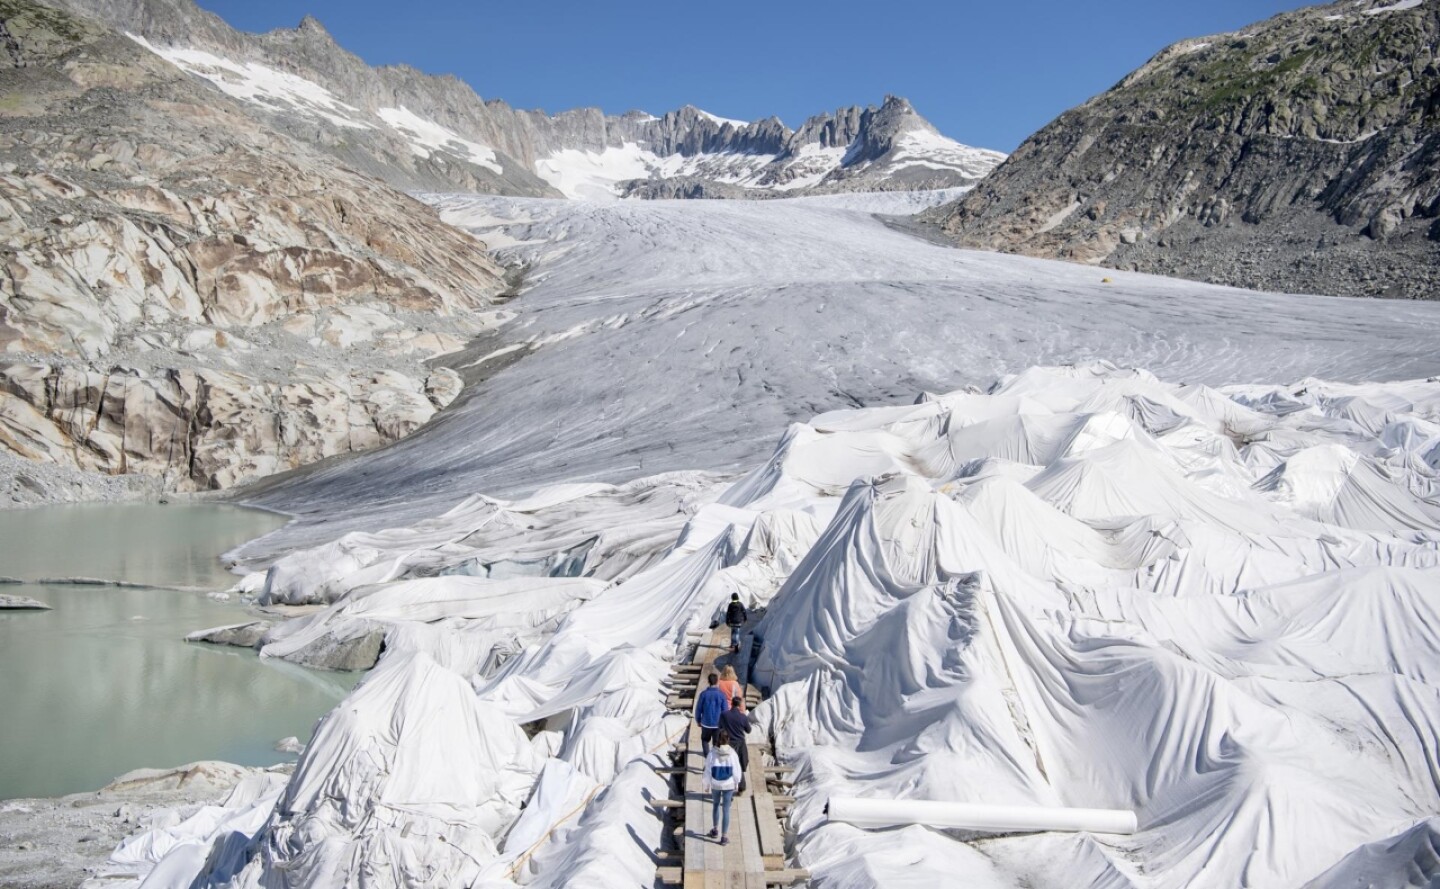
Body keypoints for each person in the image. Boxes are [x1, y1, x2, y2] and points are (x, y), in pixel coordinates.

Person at [702, 729, 742, 845]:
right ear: (728, 739)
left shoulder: (712, 753)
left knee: (715, 805)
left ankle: (715, 830)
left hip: (715, 783)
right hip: (728, 784)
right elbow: (736, 769)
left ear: (717, 740)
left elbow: (708, 770)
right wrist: (737, 782)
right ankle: (724, 837)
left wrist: (706, 784)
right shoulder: (732, 753)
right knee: (726, 809)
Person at [718, 695, 752, 794]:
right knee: (740, 764)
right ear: (740, 705)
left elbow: (720, 726)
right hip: (740, 743)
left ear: (731, 704)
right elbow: (749, 730)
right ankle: (741, 786)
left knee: (728, 764)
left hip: (727, 743)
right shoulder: (743, 717)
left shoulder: (724, 715)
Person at [694, 672, 729, 755]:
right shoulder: (722, 695)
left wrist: (698, 720)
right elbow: (725, 710)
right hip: (718, 724)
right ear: (717, 681)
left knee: (705, 740)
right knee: (716, 742)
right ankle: (714, 758)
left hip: (705, 723)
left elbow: (698, 709)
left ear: (708, 681)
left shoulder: (703, 694)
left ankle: (707, 757)